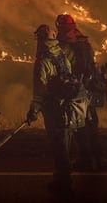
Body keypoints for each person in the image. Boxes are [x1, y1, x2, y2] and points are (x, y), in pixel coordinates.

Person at [26, 24, 77, 195]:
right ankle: (62, 178)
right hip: (68, 108)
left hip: (53, 110)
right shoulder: (61, 55)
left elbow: (39, 91)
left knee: (58, 147)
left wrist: (33, 111)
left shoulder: (42, 62)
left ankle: (64, 183)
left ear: (41, 40)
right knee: (65, 144)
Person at [55, 14, 106, 171]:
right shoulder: (83, 41)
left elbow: (63, 67)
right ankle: (101, 160)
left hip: (77, 92)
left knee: (80, 128)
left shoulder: (64, 44)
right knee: (92, 125)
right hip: (90, 89)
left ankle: (86, 161)